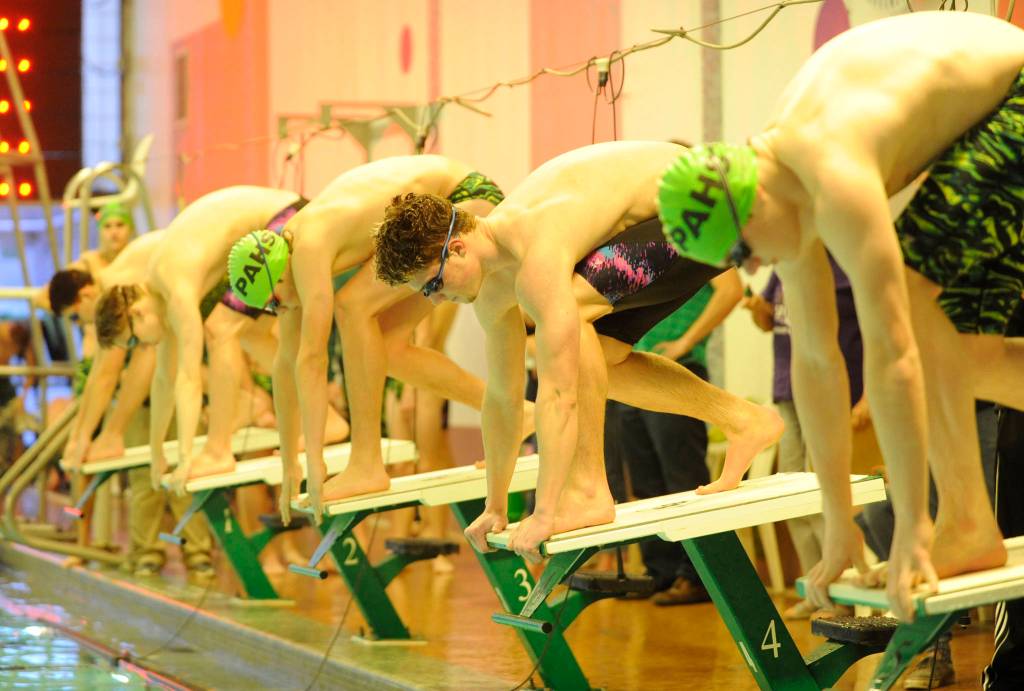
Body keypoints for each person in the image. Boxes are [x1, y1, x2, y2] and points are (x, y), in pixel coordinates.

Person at [657, 11, 1024, 621]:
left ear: (753, 205)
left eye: (742, 253)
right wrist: (837, 522)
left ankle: (962, 521)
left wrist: (912, 527)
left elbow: (892, 353)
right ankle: (967, 523)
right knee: (964, 355)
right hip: (991, 112)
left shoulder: (831, 167)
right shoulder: (782, 190)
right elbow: (817, 358)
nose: (752, 270)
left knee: (907, 304)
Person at [372, 140, 784, 562]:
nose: (436, 301)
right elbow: (501, 400)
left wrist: (546, 511)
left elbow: (557, 392)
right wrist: (494, 505)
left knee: (573, 314)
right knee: (601, 357)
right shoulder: (493, 294)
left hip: (713, 199)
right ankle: (745, 421)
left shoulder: (535, 248)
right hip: (683, 217)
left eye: (432, 285)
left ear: (456, 248)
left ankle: (588, 490)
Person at [225, 155, 507, 521]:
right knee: (385, 346)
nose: (278, 312)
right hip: (450, 202)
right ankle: (510, 412)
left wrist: (315, 463)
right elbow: (286, 363)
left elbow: (313, 361)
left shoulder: (307, 249)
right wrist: (291, 464)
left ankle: (367, 463)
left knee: (352, 307)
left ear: (278, 278)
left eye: (275, 303)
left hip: (463, 203)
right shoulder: (288, 258)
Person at [94, 186, 349, 493]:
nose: (143, 348)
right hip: (283, 217)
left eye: (134, 342)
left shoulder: (176, 290)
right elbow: (164, 379)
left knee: (221, 329)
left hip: (287, 218)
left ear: (136, 314)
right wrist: (157, 451)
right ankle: (330, 420)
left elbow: (188, 380)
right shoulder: (158, 294)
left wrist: (187, 458)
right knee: (251, 334)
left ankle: (218, 449)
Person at [609, 268, 743, 606]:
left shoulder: (689, 240)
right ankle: (660, 570)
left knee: (683, 477)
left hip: (678, 370)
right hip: (634, 370)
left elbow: (731, 290)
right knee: (645, 480)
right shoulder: (639, 248)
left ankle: (698, 575)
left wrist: (687, 340)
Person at [744, 258, 866, 619]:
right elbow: (768, 322)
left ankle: (839, 595)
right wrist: (758, 309)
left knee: (823, 493)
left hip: (827, 391)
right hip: (787, 388)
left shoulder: (841, 262)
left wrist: (864, 397)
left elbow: (868, 325)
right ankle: (815, 588)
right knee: (791, 493)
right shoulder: (784, 260)